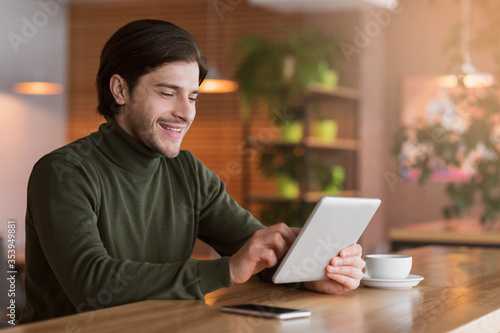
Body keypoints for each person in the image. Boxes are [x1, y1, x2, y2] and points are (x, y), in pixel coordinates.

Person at [19, 19, 365, 323]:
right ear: (120, 89)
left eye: (193, 97)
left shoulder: (188, 172)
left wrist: (311, 271)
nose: (185, 113)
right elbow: (91, 284)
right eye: (168, 93)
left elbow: (256, 249)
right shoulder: (63, 173)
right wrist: (225, 270)